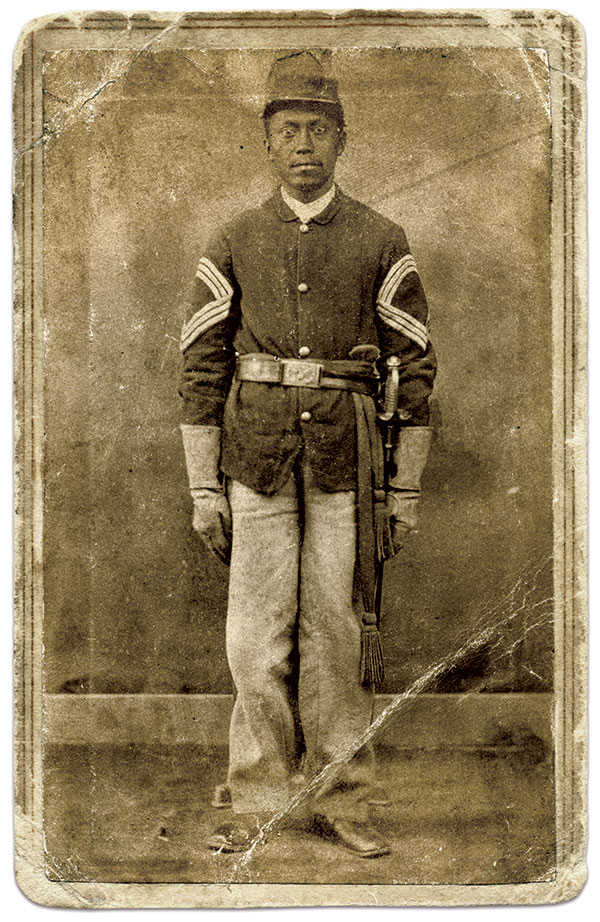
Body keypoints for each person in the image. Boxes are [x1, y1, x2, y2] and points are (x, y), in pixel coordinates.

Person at [179, 51, 436, 858]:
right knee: (256, 641)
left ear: (341, 141)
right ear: (266, 144)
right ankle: (255, 799)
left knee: (335, 633)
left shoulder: (380, 238)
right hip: (253, 460)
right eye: (287, 129)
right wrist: (202, 486)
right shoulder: (233, 238)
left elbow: (417, 367)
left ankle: (344, 800)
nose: (303, 144)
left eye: (318, 130)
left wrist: (404, 491)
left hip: (346, 467)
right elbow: (199, 366)